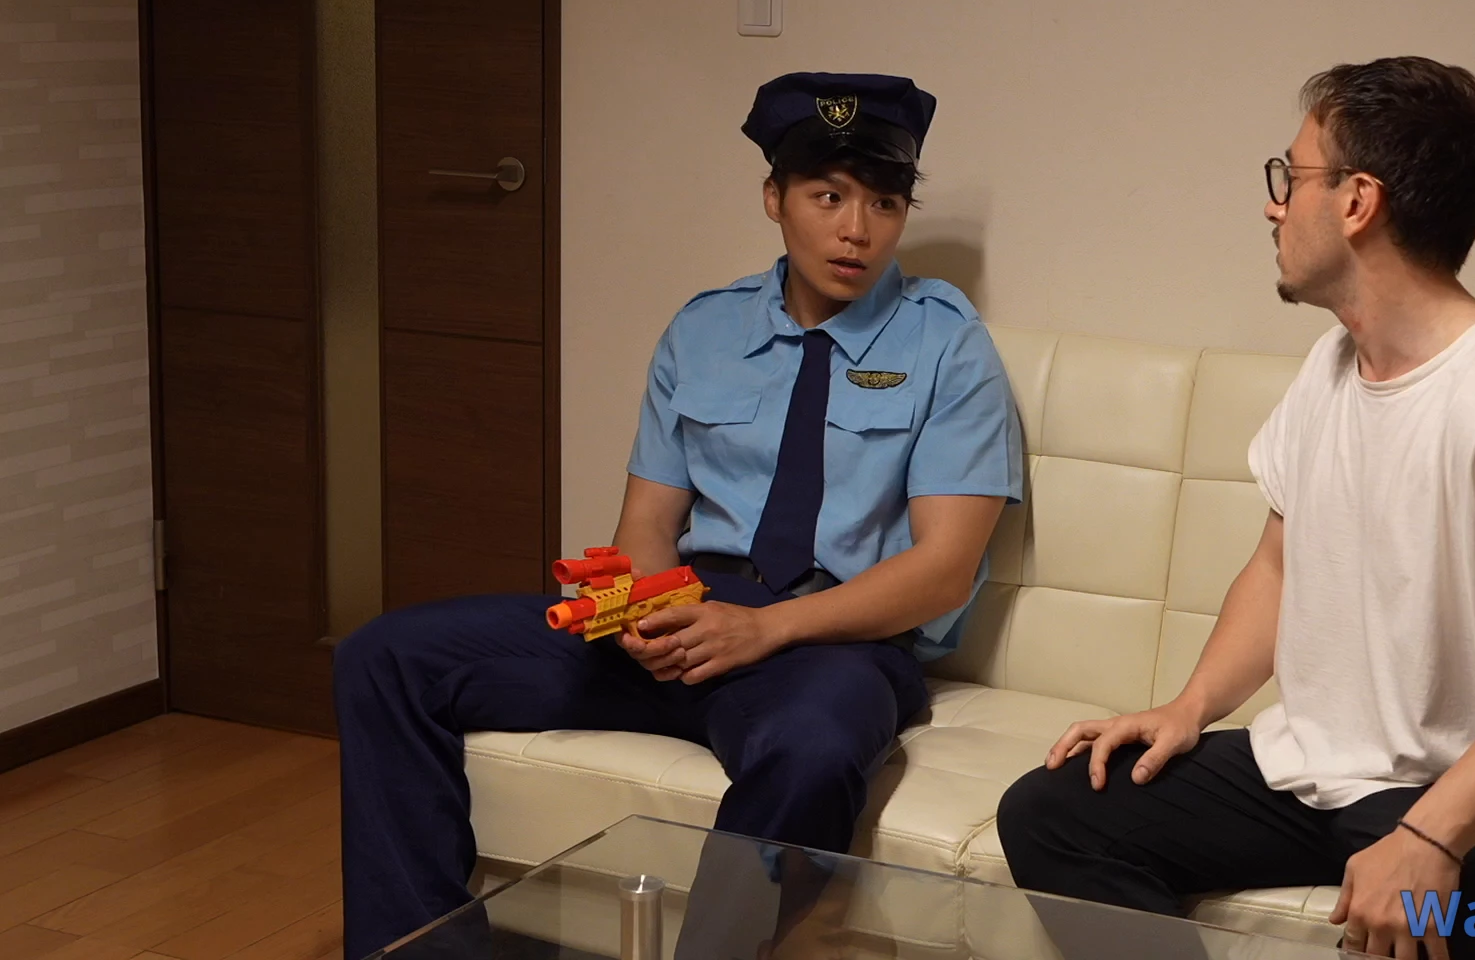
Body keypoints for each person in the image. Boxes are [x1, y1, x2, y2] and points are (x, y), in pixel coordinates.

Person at [333, 71, 1024, 960]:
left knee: (813, 750)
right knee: (386, 657)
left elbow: (942, 572)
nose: (857, 230)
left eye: (885, 204)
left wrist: (764, 629)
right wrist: (638, 613)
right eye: (829, 197)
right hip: (689, 616)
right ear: (774, 198)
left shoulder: (947, 344)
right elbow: (648, 525)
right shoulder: (704, 331)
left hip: (834, 643)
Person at [996, 57, 1475, 960]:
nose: (1274, 207)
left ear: (1357, 201)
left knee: (1423, 912)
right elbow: (1277, 566)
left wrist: (1431, 837)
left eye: (1291, 176)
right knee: (1054, 811)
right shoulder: (1332, 367)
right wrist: (1190, 706)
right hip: (1328, 772)